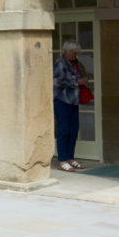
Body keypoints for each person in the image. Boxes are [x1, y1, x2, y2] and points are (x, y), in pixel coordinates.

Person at [53, 39, 90, 172]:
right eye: (75, 53)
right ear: (67, 51)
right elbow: (57, 82)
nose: (76, 55)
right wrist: (76, 82)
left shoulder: (76, 63)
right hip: (62, 101)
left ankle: (70, 158)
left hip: (73, 100)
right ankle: (62, 160)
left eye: (77, 53)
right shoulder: (60, 63)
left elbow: (82, 75)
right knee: (63, 130)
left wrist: (84, 79)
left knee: (74, 130)